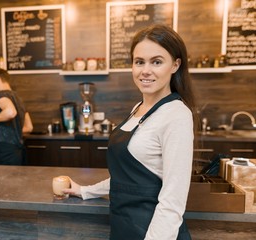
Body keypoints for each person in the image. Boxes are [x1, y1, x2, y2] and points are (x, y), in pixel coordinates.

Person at [64, 24, 197, 240]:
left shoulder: (177, 115)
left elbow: (173, 200)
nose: (145, 70)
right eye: (139, 62)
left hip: (152, 232)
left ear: (175, 65)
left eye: (156, 62)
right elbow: (126, 180)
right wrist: (86, 191)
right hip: (124, 227)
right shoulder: (138, 108)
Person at [0, 68, 33, 165]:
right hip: (19, 151)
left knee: (5, 180)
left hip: (6, 151)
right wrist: (2, 128)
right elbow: (29, 127)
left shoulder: (0, 95)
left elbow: (10, 112)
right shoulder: (18, 99)